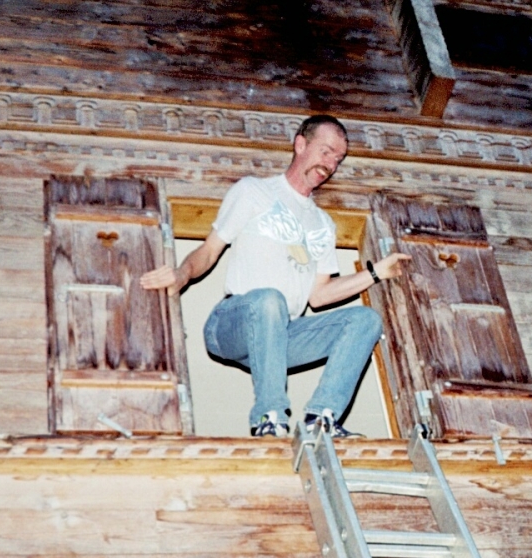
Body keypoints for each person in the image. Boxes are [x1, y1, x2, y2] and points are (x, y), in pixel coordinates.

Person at [140, 115, 411, 438]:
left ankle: (322, 420)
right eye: (325, 152)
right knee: (271, 300)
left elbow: (319, 296)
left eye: (337, 159)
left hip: (283, 335)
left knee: (366, 320)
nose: (330, 165)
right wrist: (182, 274)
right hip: (232, 324)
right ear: (300, 144)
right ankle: (270, 416)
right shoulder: (254, 191)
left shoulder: (322, 224)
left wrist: (376, 273)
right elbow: (210, 250)